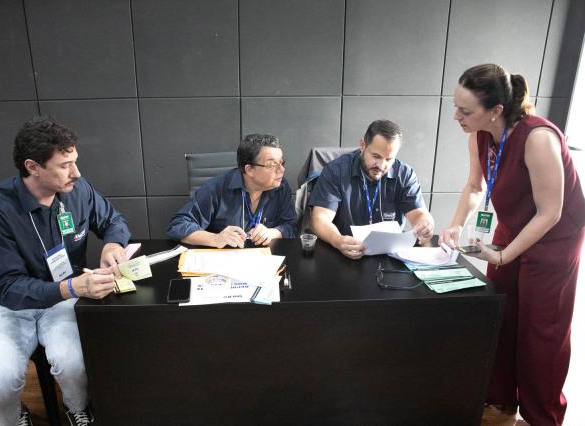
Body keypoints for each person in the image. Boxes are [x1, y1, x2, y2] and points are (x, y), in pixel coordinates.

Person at [440, 63, 585, 425]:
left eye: (465, 111)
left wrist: (504, 255)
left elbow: (550, 213)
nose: (457, 116)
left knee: (542, 330)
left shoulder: (538, 138)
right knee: (501, 313)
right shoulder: (478, 134)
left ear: (496, 110)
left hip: (555, 239)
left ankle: (542, 416)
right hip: (513, 226)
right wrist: (455, 224)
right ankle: (501, 402)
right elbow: (474, 186)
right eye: (456, 107)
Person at [0, 117, 131, 426]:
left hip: (65, 297)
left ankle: (76, 408)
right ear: (33, 167)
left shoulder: (78, 190)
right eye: (64, 165)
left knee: (76, 364)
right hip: (10, 306)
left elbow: (113, 220)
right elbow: (7, 286)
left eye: (75, 161)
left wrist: (113, 244)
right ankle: (14, 418)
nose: (76, 172)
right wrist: (73, 288)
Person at [309, 119, 434, 259]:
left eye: (389, 159)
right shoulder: (336, 171)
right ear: (362, 145)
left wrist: (425, 224)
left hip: (389, 254)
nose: (381, 165)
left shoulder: (404, 174)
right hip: (345, 252)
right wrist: (337, 240)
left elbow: (419, 214)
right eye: (376, 156)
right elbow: (320, 218)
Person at [166, 133, 297, 247]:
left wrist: (274, 232)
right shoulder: (216, 188)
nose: (281, 170)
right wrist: (215, 238)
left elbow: (291, 225)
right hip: (222, 259)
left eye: (281, 163)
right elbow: (177, 226)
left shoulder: (281, 187)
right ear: (249, 170)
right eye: (272, 164)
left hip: (263, 259)